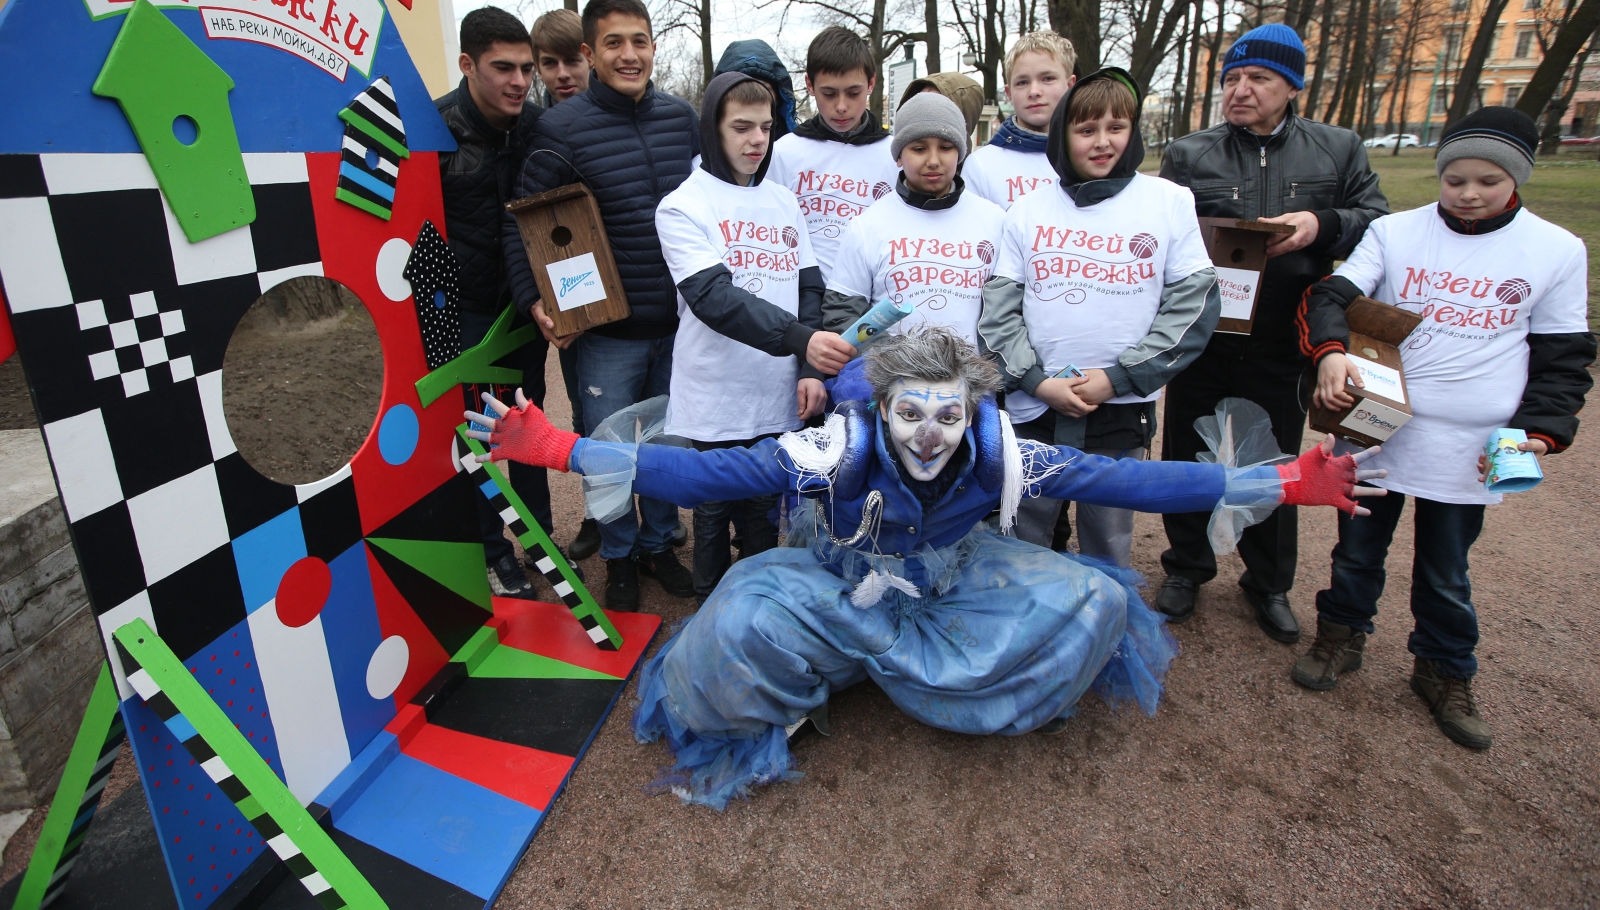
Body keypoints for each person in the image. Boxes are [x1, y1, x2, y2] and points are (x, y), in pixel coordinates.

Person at [466, 327, 1388, 808]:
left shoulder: (1006, 452)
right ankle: (828, 672)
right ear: (887, 409)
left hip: (954, 572)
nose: (929, 435)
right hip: (832, 579)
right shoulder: (834, 448)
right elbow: (710, 471)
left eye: (946, 416)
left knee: (1088, 601)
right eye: (912, 413)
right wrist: (558, 448)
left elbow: (1130, 476)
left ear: (971, 413)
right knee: (735, 631)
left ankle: (900, 671)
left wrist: (1281, 480)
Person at [1291, 107, 1594, 750]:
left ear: (1516, 179)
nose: (1469, 193)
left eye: (1488, 180)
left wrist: (1539, 432)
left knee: (1446, 566)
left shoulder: (1556, 250)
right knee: (1357, 547)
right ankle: (1341, 637)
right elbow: (1330, 296)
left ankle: (1444, 668)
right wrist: (1334, 351)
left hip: (1469, 443)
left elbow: (1563, 357)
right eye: (1455, 178)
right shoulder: (1398, 232)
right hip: (1376, 422)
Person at [1155, 23, 1390, 643]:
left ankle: (1268, 583)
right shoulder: (1189, 153)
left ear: (1291, 85)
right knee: (1187, 454)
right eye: (1231, 78)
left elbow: (1379, 224)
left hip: (1285, 332)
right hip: (1204, 331)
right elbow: (1160, 233)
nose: (1240, 90)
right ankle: (1187, 568)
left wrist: (1321, 223)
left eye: (1257, 78)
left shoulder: (1337, 150)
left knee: (1279, 458)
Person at [501, 0, 699, 613]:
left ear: (653, 47)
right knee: (610, 446)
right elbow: (522, 221)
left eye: (639, 41)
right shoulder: (560, 127)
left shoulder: (680, 118)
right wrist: (533, 295)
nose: (629, 54)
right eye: (614, 43)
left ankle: (660, 543)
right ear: (591, 52)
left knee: (668, 442)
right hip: (607, 330)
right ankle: (618, 553)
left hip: (680, 322)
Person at [980, 68, 1218, 565]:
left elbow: (1193, 307)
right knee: (1025, 535)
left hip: (1120, 410)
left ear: (1135, 133)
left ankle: (1106, 629)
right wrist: (1036, 381)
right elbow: (999, 314)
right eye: (1087, 130)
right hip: (1036, 409)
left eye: (1117, 127)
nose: (1102, 142)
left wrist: (1120, 377)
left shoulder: (1168, 201)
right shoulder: (1026, 211)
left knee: (1108, 540)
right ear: (1064, 134)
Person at [655, 73, 853, 602]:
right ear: (712, 129)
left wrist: (810, 368)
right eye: (741, 127)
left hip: (777, 389)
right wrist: (799, 341)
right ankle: (711, 617)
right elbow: (715, 299)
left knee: (766, 510)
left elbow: (810, 288)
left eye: (765, 127)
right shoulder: (682, 205)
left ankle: (763, 617)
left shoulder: (784, 202)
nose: (756, 140)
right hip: (715, 394)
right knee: (714, 513)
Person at [433, 7, 553, 598]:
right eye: (502, 67)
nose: (517, 81)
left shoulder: (535, 125)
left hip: (522, 308)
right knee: (475, 435)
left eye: (525, 68)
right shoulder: (431, 130)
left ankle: (541, 541)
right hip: (461, 311)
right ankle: (491, 551)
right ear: (467, 64)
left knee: (526, 421)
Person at [824, 92, 1003, 348]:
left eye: (945, 147)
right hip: (894, 383)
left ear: (960, 153)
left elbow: (1008, 314)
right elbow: (843, 314)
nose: (933, 161)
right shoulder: (868, 225)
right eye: (919, 149)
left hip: (975, 384)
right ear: (899, 156)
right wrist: (893, 365)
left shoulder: (994, 220)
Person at [529, 7, 605, 563]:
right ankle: (600, 516)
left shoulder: (616, 116)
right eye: (548, 63)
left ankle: (652, 519)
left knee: (649, 412)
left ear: (590, 56)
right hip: (571, 293)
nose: (562, 73)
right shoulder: (538, 129)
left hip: (628, 292)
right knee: (586, 410)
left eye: (571, 58)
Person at [767, 27, 899, 278]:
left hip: (873, 301)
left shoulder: (895, 156)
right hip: (802, 303)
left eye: (853, 93)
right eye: (828, 94)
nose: (841, 106)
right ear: (809, 84)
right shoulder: (785, 153)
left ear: (871, 83)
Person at [964, 31, 1077, 208]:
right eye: (1022, 82)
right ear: (1009, 93)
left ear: (1070, 85)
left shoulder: (1093, 158)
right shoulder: (982, 166)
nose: (1034, 91)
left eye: (1047, 79)